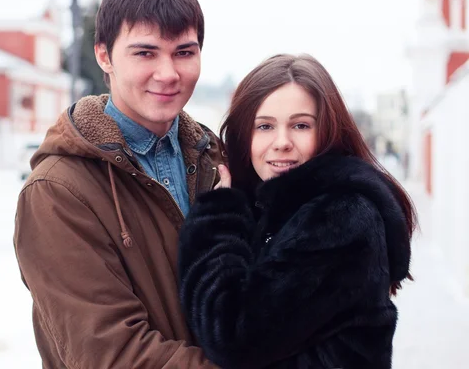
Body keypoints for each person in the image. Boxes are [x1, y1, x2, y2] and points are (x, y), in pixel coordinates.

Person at [13, 0, 223, 368]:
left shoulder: (217, 162)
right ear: (104, 56)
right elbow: (111, 353)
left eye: (183, 52)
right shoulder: (57, 190)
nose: (168, 73)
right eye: (145, 53)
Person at [178, 54, 417, 369]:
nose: (282, 142)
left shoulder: (341, 217)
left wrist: (217, 221)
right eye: (264, 126)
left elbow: (233, 336)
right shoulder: (277, 208)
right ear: (243, 135)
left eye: (300, 125)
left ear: (328, 131)